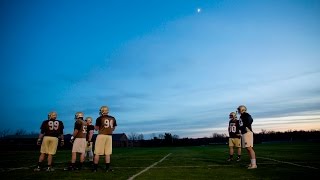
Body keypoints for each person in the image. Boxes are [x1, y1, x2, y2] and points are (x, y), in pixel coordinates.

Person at [93, 106, 117, 172]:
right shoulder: (113, 118)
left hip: (101, 135)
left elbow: (96, 129)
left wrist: (95, 126)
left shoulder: (99, 118)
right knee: (107, 153)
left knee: (97, 153)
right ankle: (107, 168)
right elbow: (114, 128)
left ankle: (95, 169)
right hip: (109, 136)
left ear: (102, 111)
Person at [237, 105, 257, 169]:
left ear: (243, 109)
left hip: (247, 133)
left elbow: (250, 120)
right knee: (247, 149)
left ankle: (254, 164)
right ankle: (251, 163)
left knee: (249, 148)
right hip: (244, 133)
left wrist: (246, 127)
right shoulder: (241, 116)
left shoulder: (246, 114)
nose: (238, 110)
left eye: (239, 109)